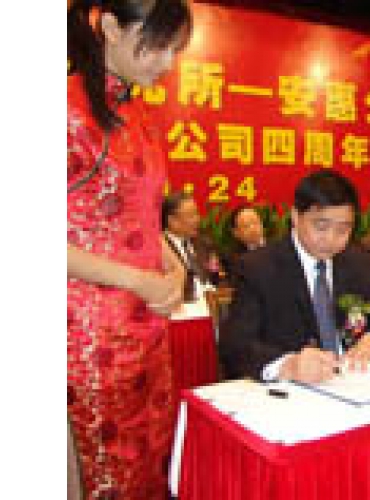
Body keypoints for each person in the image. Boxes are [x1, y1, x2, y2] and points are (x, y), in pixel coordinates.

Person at [67, 1, 193, 498]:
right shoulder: (63, 108)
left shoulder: (138, 113)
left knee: (151, 465)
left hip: (146, 331)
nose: (168, 63)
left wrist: (173, 265)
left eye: (176, 50)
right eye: (159, 46)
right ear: (111, 27)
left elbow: (140, 214)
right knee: (103, 473)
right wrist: (137, 279)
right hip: (88, 339)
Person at [219, 171, 370, 383]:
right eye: (321, 226)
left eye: (343, 230)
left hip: (353, 382)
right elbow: (235, 346)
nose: (331, 239)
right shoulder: (258, 268)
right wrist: (288, 366)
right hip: (293, 390)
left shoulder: (358, 262)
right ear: (296, 217)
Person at [162, 191, 222, 298]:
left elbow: (216, 276)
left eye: (196, 214)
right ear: (172, 221)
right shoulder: (161, 248)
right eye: (191, 216)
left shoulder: (204, 243)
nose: (197, 220)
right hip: (182, 304)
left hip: (212, 301)